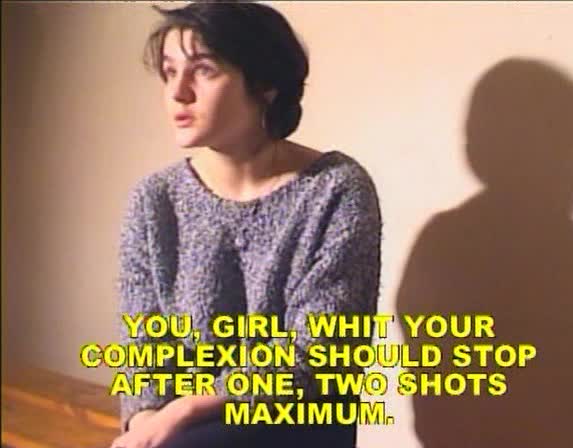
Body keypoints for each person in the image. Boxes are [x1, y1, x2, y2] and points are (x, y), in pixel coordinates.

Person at [109, 2, 382, 448]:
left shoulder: (335, 188)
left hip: (297, 421)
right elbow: (143, 346)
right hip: (183, 431)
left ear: (266, 84)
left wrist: (187, 408)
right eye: (169, 71)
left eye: (203, 70)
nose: (178, 92)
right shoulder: (154, 199)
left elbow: (319, 352)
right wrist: (145, 421)